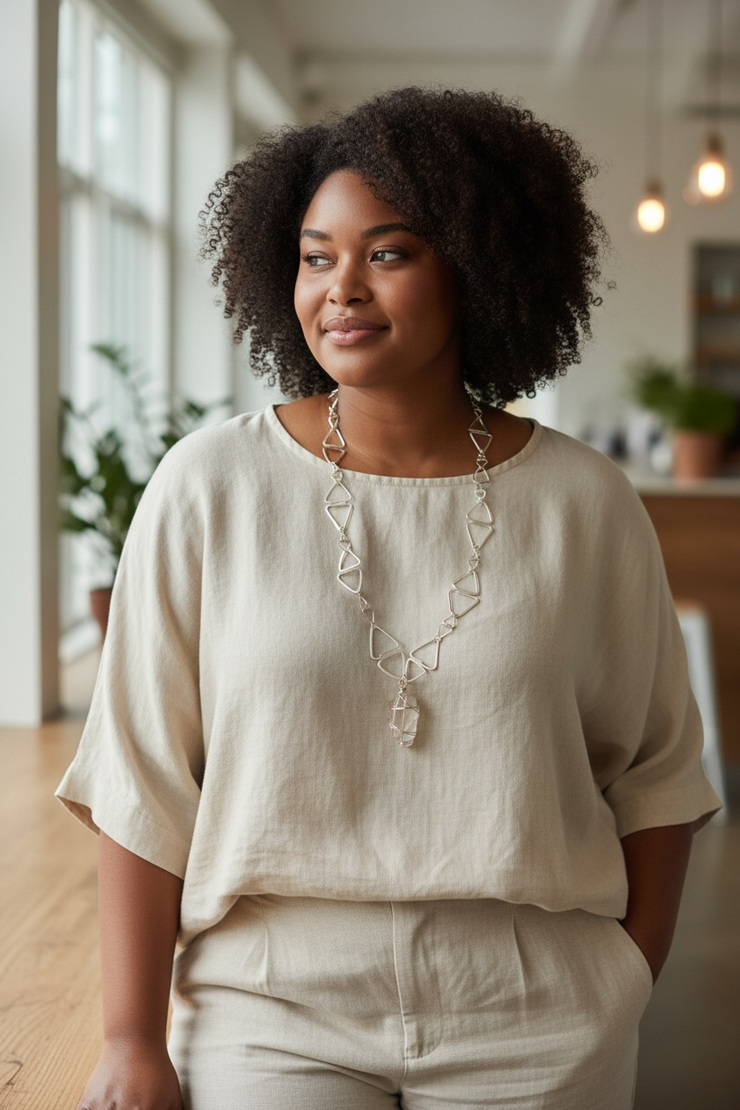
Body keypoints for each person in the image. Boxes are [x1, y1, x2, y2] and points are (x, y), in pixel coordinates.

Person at [57, 87, 720, 1110]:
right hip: (273, 1004)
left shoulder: (584, 502)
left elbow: (658, 774)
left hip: (536, 1010)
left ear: (478, 264)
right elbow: (142, 783)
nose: (342, 290)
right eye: (316, 256)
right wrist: (131, 1037)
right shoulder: (209, 488)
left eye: (389, 252)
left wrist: (625, 979)